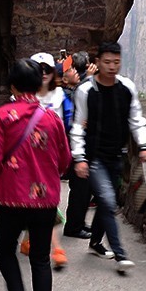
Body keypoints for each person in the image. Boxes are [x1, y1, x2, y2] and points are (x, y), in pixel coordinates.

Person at [0, 59, 71, 291]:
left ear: (13, 86)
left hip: (9, 199)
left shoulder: (3, 116)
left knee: (6, 250)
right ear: (39, 84)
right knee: (41, 258)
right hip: (45, 201)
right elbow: (64, 160)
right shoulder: (52, 118)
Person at [70, 41, 146, 274]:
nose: (111, 67)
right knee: (107, 201)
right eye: (107, 62)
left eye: (116, 62)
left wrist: (145, 144)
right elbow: (77, 126)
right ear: (97, 63)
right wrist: (79, 158)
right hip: (94, 156)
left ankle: (96, 242)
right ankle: (120, 253)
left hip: (116, 156)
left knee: (108, 202)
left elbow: (136, 120)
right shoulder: (86, 91)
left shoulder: (126, 88)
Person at [20, 52, 71, 269]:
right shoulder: (22, 98)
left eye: (47, 69)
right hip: (28, 160)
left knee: (39, 204)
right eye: (38, 69)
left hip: (49, 161)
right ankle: (57, 249)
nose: (43, 74)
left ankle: (26, 241)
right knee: (43, 204)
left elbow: (68, 123)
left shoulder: (60, 96)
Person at [61, 51, 96, 240]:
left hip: (83, 145)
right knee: (80, 189)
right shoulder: (66, 92)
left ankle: (79, 223)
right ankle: (74, 226)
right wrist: (88, 81)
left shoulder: (76, 88)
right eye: (71, 69)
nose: (74, 72)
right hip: (75, 146)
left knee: (84, 189)